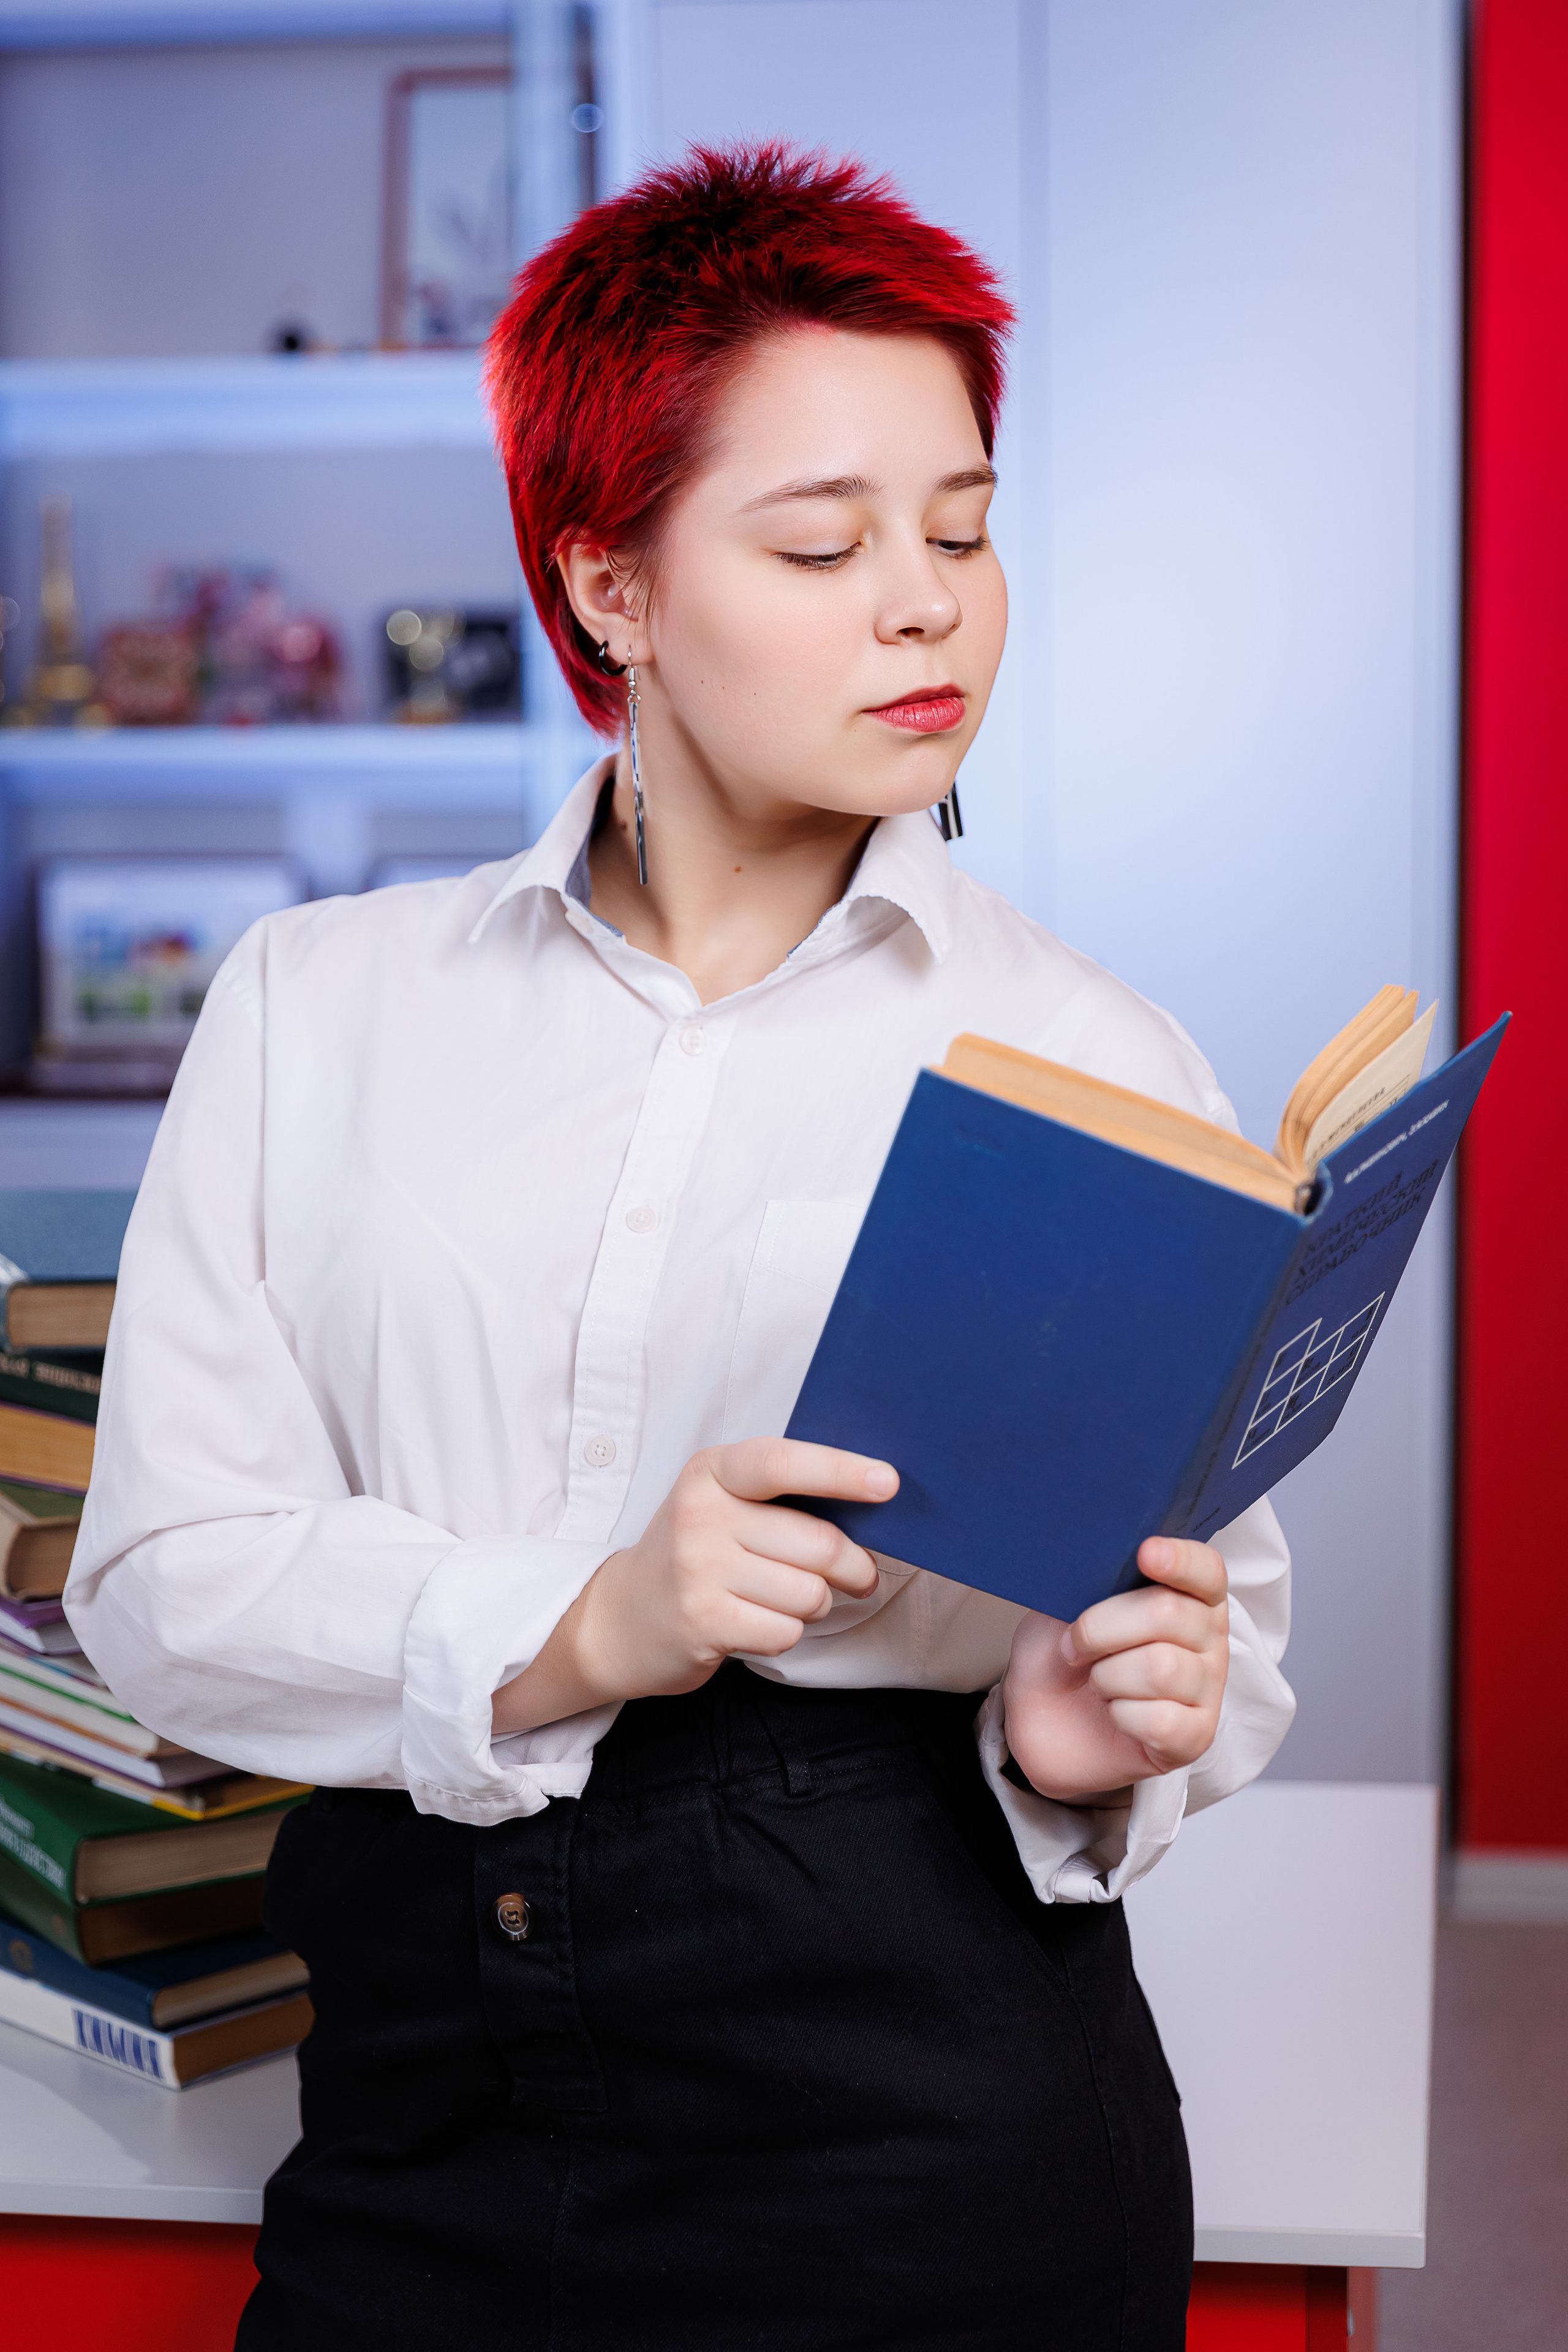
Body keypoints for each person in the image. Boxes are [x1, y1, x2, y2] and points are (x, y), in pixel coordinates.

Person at [69, 145, 1295, 2352]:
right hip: (418, 2115)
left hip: (929, 2125)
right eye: (823, 541)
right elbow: (165, 1593)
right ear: (608, 585)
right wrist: (590, 1613)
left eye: (966, 524)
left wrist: (1111, 1731)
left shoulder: (1092, 1053)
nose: (927, 600)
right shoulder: (314, 1005)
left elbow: (1228, 1623)